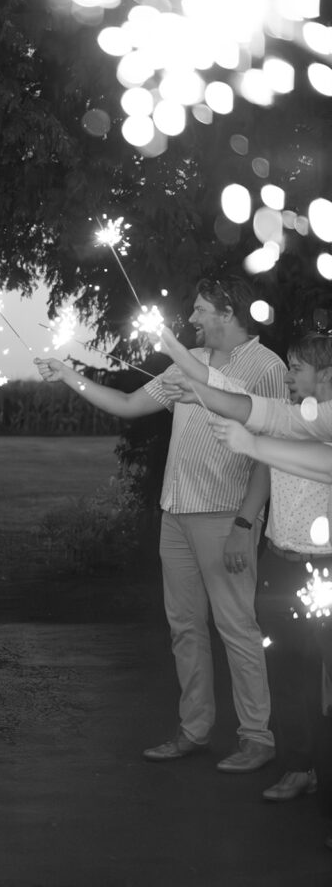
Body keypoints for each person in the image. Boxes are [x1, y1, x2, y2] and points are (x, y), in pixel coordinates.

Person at [35, 276, 286, 772]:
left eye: (198, 310)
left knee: (236, 627)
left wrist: (245, 522)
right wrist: (66, 374)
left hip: (225, 515)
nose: (190, 319)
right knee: (184, 629)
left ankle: (257, 738)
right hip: (177, 514)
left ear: (227, 311)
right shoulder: (185, 367)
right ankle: (193, 731)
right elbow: (128, 405)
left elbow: (269, 456)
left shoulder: (267, 368)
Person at [158, 330, 332, 807]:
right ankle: (299, 768)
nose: (288, 375)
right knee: (290, 672)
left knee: (327, 687)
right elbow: (256, 408)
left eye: (297, 368)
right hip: (283, 561)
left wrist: (252, 447)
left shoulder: (324, 421)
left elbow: (324, 462)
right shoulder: (298, 415)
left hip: (327, 569)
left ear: (327, 376)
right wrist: (187, 370)